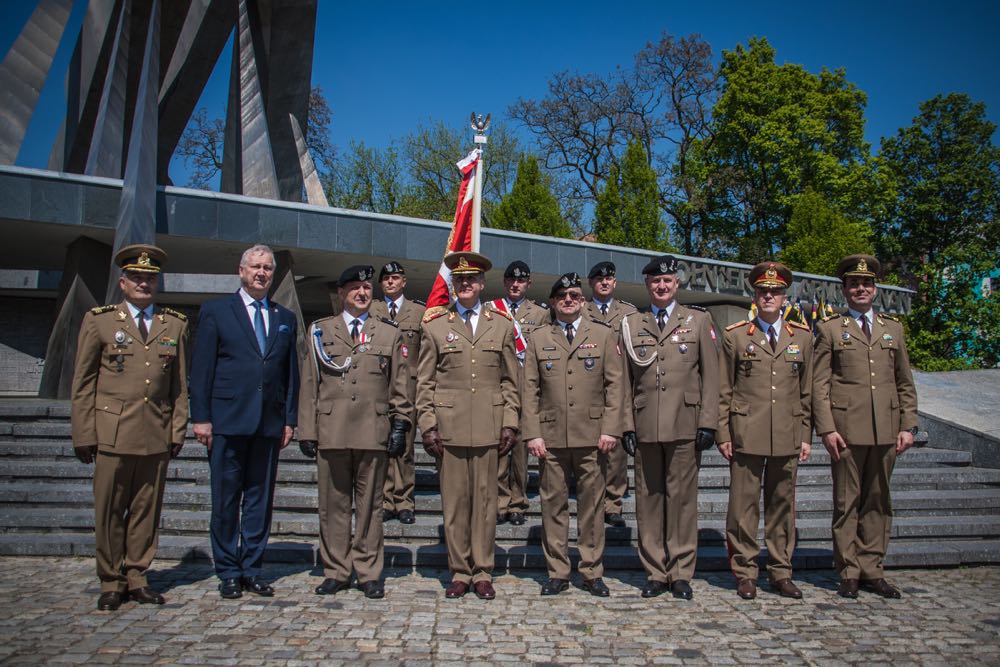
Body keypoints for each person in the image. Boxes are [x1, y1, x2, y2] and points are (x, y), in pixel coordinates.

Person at [70, 244, 188, 611]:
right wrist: (84, 433)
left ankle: (137, 576)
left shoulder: (174, 325)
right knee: (109, 510)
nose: (143, 283)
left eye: (149, 278)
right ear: (122, 283)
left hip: (155, 434)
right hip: (112, 433)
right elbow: (83, 382)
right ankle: (110, 580)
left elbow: (180, 387)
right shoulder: (101, 321)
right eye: (136, 277)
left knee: (145, 511)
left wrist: (177, 430)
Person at [189, 244, 299, 600]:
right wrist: (201, 417)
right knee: (225, 500)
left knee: (259, 501)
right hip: (226, 421)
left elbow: (289, 374)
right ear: (241, 270)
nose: (261, 273)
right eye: (255, 267)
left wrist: (289, 419)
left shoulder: (284, 317)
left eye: (267, 268)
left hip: (268, 423)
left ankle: (252, 567)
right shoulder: (216, 311)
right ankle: (228, 571)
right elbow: (202, 369)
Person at [297, 265, 412, 599]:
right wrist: (307, 429)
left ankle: (368, 571)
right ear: (340, 293)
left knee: (371, 506)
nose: (362, 293)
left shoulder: (388, 333)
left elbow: (399, 386)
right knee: (332, 506)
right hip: (331, 429)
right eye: (354, 288)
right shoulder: (320, 330)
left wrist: (400, 423)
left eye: (366, 287)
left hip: (373, 431)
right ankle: (336, 570)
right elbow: (310, 382)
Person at [813, 254, 918, 599]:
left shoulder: (893, 329)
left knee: (878, 501)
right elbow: (820, 384)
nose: (861, 289)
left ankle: (873, 568)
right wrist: (827, 429)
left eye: (866, 284)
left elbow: (904, 382)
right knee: (847, 503)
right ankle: (848, 571)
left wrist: (908, 425)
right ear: (844, 290)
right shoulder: (830, 330)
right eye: (854, 284)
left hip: (886, 429)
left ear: (875, 290)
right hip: (846, 430)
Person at [416, 251, 520, 600]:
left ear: (481, 284)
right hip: (450, 428)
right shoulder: (435, 325)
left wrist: (510, 422)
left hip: (490, 428)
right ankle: (460, 571)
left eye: (471, 279)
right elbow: (425, 382)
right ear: (454, 284)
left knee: (487, 504)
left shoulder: (501, 325)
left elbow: (510, 380)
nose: (465, 285)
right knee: (456, 505)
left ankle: (483, 571)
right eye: (459, 280)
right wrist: (428, 424)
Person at [620, 254, 719, 600]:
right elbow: (624, 381)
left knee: (682, 501)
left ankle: (680, 572)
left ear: (676, 283)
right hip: (645, 423)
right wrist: (626, 425)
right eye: (655, 281)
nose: (662, 286)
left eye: (668, 281)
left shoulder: (697, 320)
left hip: (685, 424)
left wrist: (709, 421)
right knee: (648, 501)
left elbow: (711, 376)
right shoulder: (632, 324)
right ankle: (655, 571)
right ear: (647, 285)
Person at [522, 272, 624, 597]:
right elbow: (529, 390)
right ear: (553, 302)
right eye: (563, 295)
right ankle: (558, 572)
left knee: (592, 507)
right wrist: (533, 433)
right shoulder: (538, 338)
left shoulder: (603, 335)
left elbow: (615, 385)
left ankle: (592, 571)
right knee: (553, 506)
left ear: (583, 301)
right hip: (550, 438)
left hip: (593, 437)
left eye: (575, 295)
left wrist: (610, 428)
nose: (569, 300)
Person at [717, 261, 812, 600]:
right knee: (742, 508)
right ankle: (745, 571)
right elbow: (723, 390)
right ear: (754, 296)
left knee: (782, 506)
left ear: (785, 297)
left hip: (786, 432)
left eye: (775, 292)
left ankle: (780, 572)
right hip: (746, 432)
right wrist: (724, 434)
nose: (769, 296)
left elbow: (806, 392)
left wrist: (805, 435)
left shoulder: (801, 337)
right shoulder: (736, 336)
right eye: (763, 291)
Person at [489, 260, 548, 526]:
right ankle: (500, 502)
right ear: (504, 282)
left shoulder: (540, 314)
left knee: (521, 454)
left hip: (526, 387)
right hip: (499, 384)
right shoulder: (491, 309)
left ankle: (517, 503)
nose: (516, 284)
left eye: (521, 280)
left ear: (528, 284)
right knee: (500, 447)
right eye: (511, 280)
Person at [370, 261, 424, 525]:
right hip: (377, 386)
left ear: (404, 282)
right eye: (386, 279)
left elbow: (426, 354)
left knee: (404, 446)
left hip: (407, 388)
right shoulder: (371, 309)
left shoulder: (419, 311)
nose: (390, 282)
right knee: (381, 445)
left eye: (395, 278)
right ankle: (385, 499)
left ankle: (404, 501)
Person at [584, 261, 637, 528]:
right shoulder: (580, 309)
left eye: (609, 279)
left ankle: (613, 502)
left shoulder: (628, 312)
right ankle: (592, 499)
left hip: (619, 384)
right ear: (591, 283)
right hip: (587, 387)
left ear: (614, 283)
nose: (604, 282)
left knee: (615, 449)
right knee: (590, 449)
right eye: (599, 278)